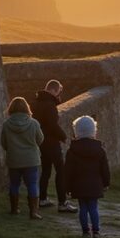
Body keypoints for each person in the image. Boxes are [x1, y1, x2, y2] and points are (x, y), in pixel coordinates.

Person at [32, 79, 77, 213]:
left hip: (41, 142)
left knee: (46, 170)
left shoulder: (36, 103)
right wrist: (64, 136)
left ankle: (42, 199)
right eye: (58, 92)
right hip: (51, 142)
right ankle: (62, 203)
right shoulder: (50, 105)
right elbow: (52, 125)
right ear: (53, 90)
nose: (59, 95)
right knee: (61, 171)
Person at [64, 116, 111, 238]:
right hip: (95, 184)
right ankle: (96, 232)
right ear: (93, 130)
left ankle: (85, 232)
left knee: (83, 208)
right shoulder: (100, 150)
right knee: (93, 207)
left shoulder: (72, 150)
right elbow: (105, 169)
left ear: (76, 130)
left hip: (79, 184)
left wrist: (67, 187)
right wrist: (106, 183)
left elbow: (68, 171)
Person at [1, 97, 44, 220]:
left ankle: (14, 209)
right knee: (32, 184)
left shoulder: (6, 124)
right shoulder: (34, 123)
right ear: (26, 108)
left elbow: (3, 143)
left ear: (11, 108)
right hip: (31, 160)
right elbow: (40, 140)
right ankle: (33, 212)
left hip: (14, 159)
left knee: (14, 184)